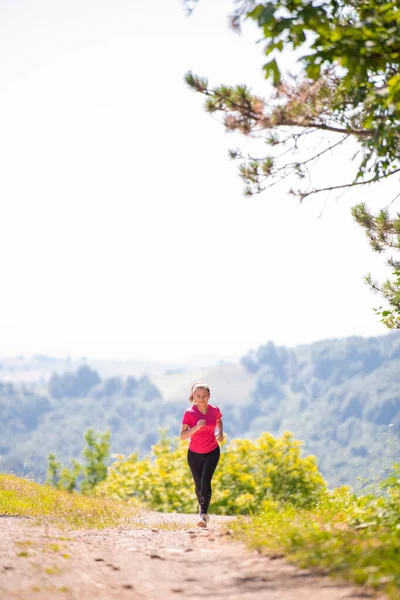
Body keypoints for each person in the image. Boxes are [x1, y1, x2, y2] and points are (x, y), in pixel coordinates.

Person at [180, 382, 224, 528]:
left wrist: (220, 433)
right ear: (193, 397)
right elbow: (183, 436)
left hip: (212, 451)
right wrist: (197, 427)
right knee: (198, 486)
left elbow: (219, 420)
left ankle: (203, 515)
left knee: (206, 481)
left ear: (209, 396)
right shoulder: (189, 413)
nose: (201, 399)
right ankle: (202, 508)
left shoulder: (214, 410)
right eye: (198, 396)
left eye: (204, 396)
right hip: (194, 454)